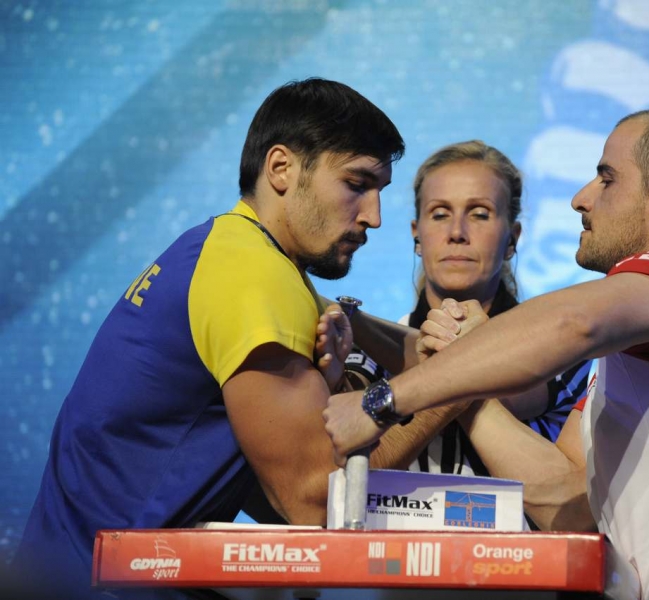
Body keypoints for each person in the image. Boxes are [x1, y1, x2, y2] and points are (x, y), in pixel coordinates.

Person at [324, 109, 649, 598]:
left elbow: (572, 322)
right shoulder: (642, 354)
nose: (580, 199)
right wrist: (462, 370)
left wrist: (383, 401)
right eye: (440, 214)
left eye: (606, 179)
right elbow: (563, 499)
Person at [11, 78, 463, 599]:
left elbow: (261, 487)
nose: (374, 216)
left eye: (380, 191)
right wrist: (454, 385)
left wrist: (456, 353)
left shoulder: (227, 247)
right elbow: (312, 504)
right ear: (281, 169)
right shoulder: (256, 277)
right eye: (357, 184)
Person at [400, 140, 591, 476]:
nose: (457, 233)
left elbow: (516, 391)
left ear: (512, 239)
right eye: (440, 214)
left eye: (479, 214)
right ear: (417, 235)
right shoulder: (370, 353)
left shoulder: (561, 346)